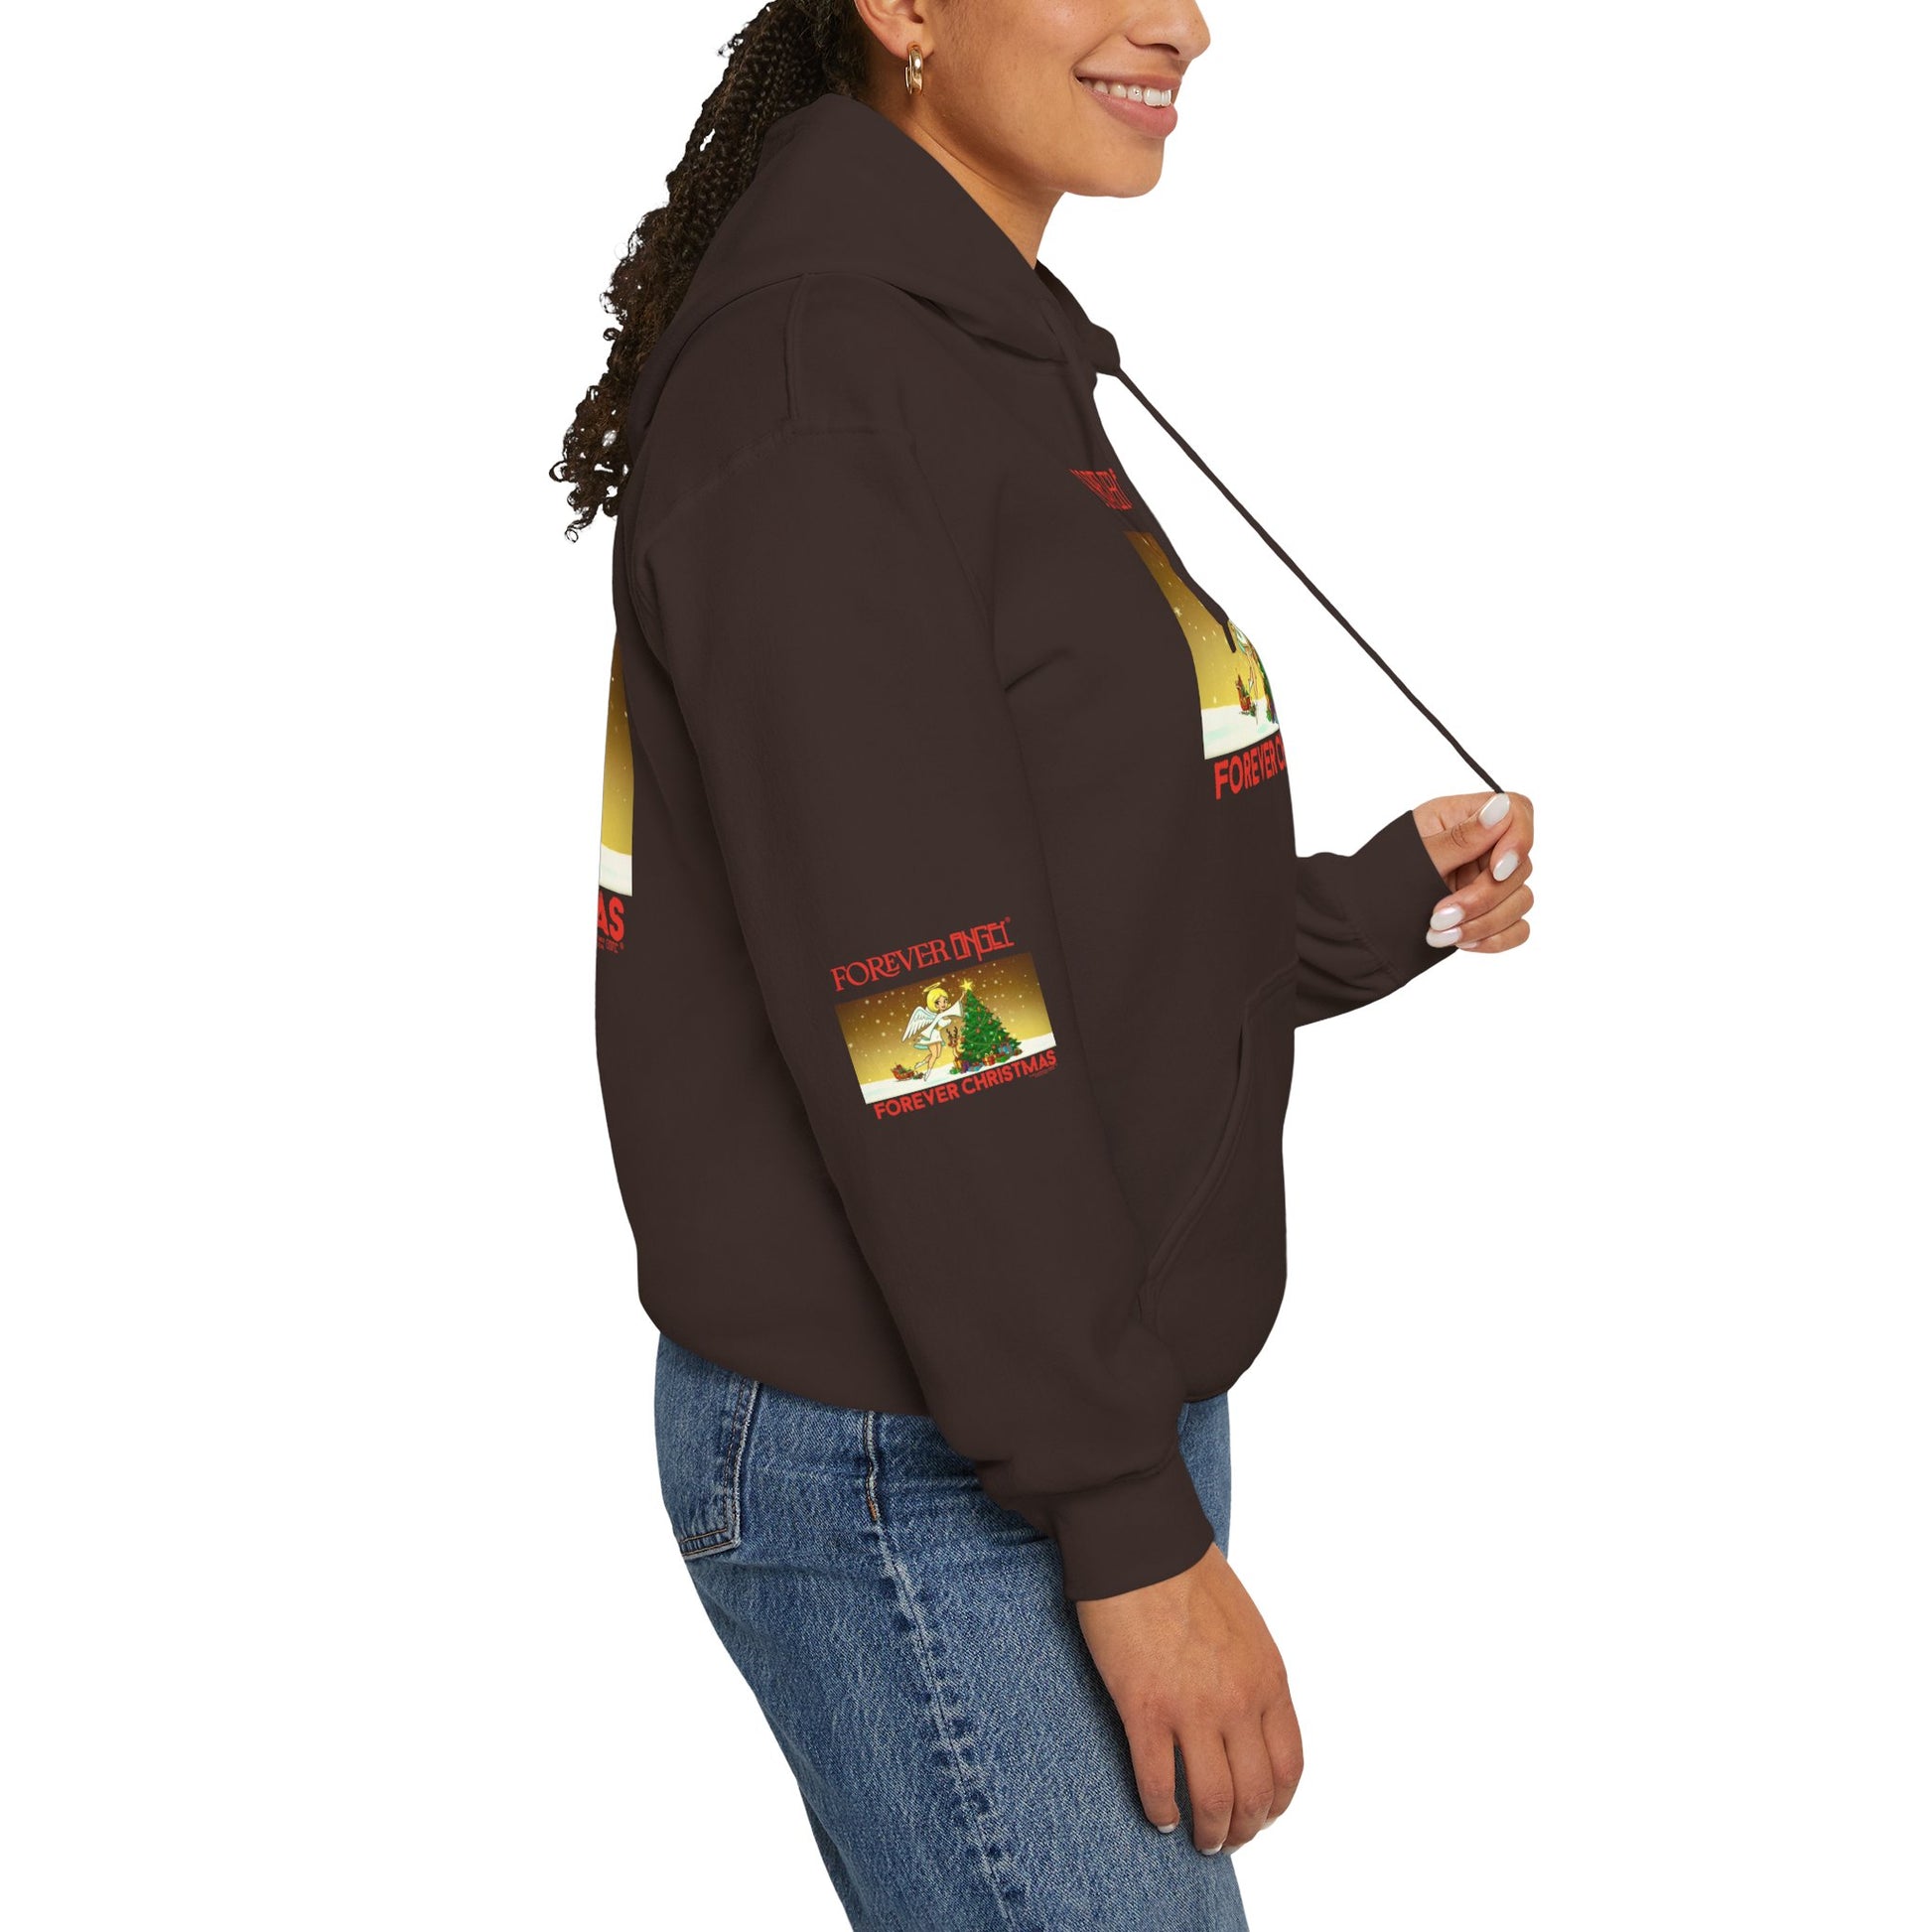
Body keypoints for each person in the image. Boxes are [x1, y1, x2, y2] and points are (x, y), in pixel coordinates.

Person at [554, 3, 1536, 1924]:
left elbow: (1027, 885)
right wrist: (1122, 1519)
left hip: (1039, 1384)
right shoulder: (821, 393)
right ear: (902, 8)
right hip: (920, 1446)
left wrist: (1368, 908)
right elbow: (928, 1017)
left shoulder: (961, 344)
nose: (1179, 23)